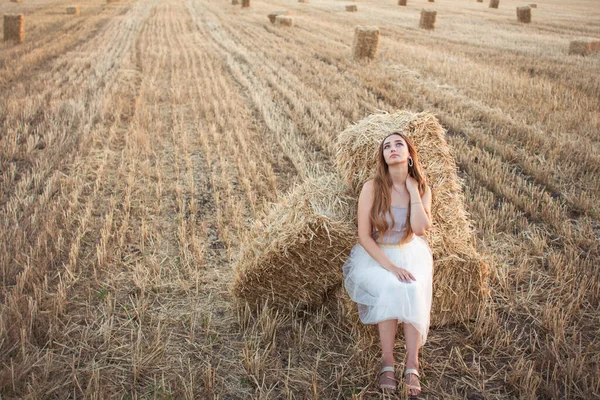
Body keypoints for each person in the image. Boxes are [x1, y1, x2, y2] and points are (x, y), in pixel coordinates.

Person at [342, 132, 434, 396]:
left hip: (409, 252)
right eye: (386, 146)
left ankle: (412, 364)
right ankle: (387, 363)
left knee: (413, 288)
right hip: (376, 256)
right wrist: (391, 268)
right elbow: (363, 236)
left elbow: (419, 229)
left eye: (398, 144)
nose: (392, 149)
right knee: (393, 286)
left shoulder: (423, 189)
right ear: (383, 157)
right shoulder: (372, 187)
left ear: (409, 155)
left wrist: (414, 190)